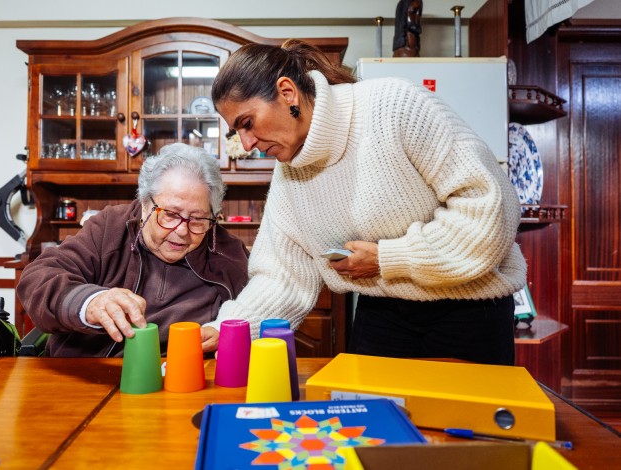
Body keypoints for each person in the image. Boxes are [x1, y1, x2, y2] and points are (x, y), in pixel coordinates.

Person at [208, 39, 526, 366]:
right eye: (237, 132)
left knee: (460, 419)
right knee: (372, 417)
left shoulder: (393, 106)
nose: (246, 144)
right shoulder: (289, 173)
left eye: (247, 123)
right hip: (382, 309)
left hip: (471, 308)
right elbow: (282, 275)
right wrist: (229, 328)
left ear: (287, 93)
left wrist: (386, 259)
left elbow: (490, 211)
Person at [17, 143, 249, 357]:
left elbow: (263, 307)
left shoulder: (227, 253)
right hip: (89, 375)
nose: (181, 231)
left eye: (198, 219)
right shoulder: (110, 227)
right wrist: (89, 302)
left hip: (176, 383)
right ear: (145, 203)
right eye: (170, 215)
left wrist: (228, 328)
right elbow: (38, 278)